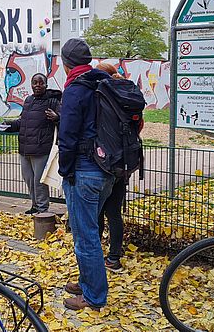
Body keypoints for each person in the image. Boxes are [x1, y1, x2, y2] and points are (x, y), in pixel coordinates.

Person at [57, 38, 115, 311]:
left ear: (65, 62)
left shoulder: (75, 90)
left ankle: (93, 296)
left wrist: (65, 171)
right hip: (107, 171)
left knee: (85, 236)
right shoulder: (103, 83)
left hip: (84, 171)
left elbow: (67, 137)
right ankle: (87, 280)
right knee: (89, 230)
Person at [4, 73, 61, 214]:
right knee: (28, 179)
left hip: (41, 148)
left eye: (40, 83)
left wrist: (57, 118)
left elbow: (63, 120)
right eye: (34, 82)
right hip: (24, 148)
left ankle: (42, 209)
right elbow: (22, 122)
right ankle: (34, 205)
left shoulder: (53, 101)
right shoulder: (28, 100)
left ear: (46, 85)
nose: (37, 85)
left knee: (39, 181)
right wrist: (6, 125)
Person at [94, 62, 128, 273]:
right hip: (123, 162)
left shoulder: (101, 98)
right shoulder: (127, 97)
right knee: (114, 212)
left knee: (97, 212)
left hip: (102, 162)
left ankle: (95, 255)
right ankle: (114, 256)